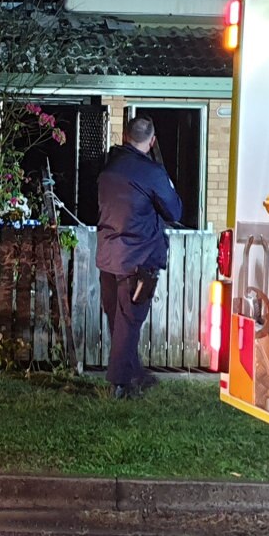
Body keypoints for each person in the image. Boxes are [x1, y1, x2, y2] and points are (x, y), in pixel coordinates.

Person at [96, 116, 183, 399]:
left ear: (124, 136)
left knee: (118, 320)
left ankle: (134, 373)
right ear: (153, 140)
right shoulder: (153, 173)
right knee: (130, 321)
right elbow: (175, 212)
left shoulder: (109, 167)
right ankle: (120, 384)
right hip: (139, 260)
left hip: (109, 256)